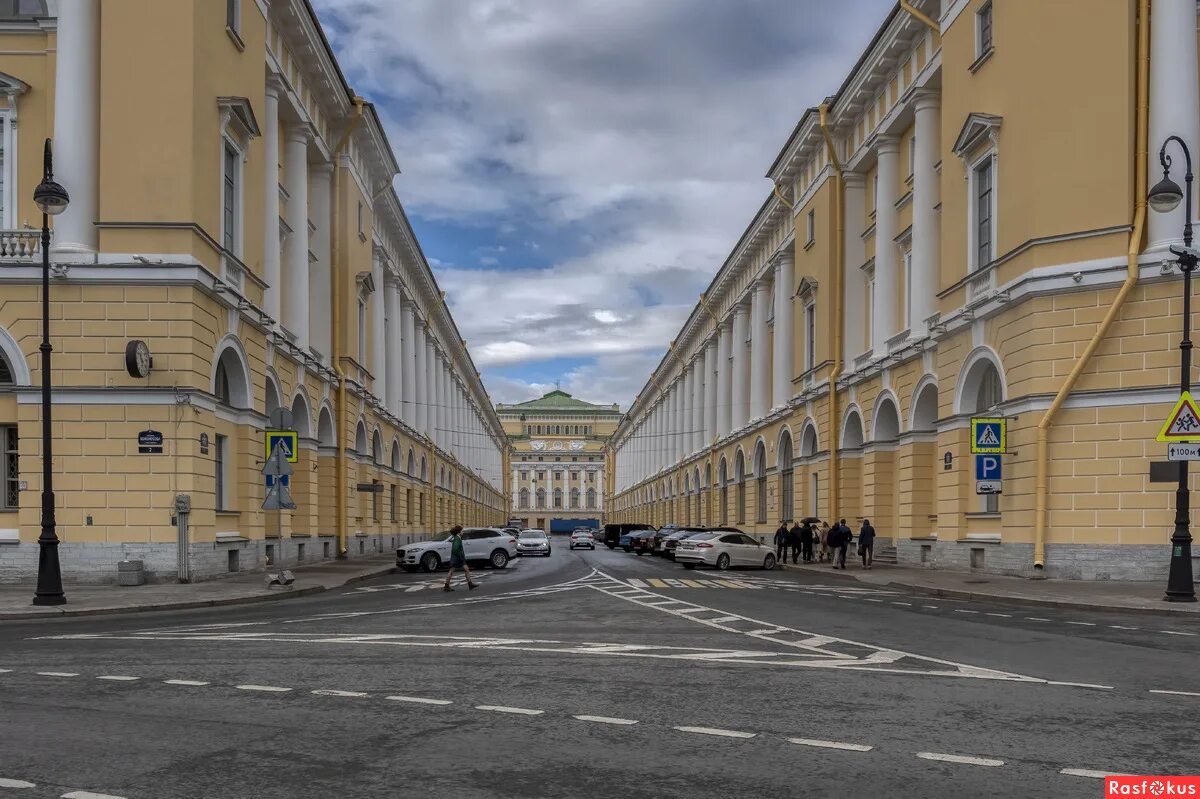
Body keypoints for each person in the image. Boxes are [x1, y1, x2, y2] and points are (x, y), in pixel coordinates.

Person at [443, 526, 478, 591]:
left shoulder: (457, 538)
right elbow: (455, 549)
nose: (463, 532)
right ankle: (446, 586)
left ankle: (470, 584)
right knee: (451, 571)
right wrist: (460, 555)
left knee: (466, 569)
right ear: (459, 532)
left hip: (458, 558)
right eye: (462, 531)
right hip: (457, 558)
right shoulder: (457, 539)